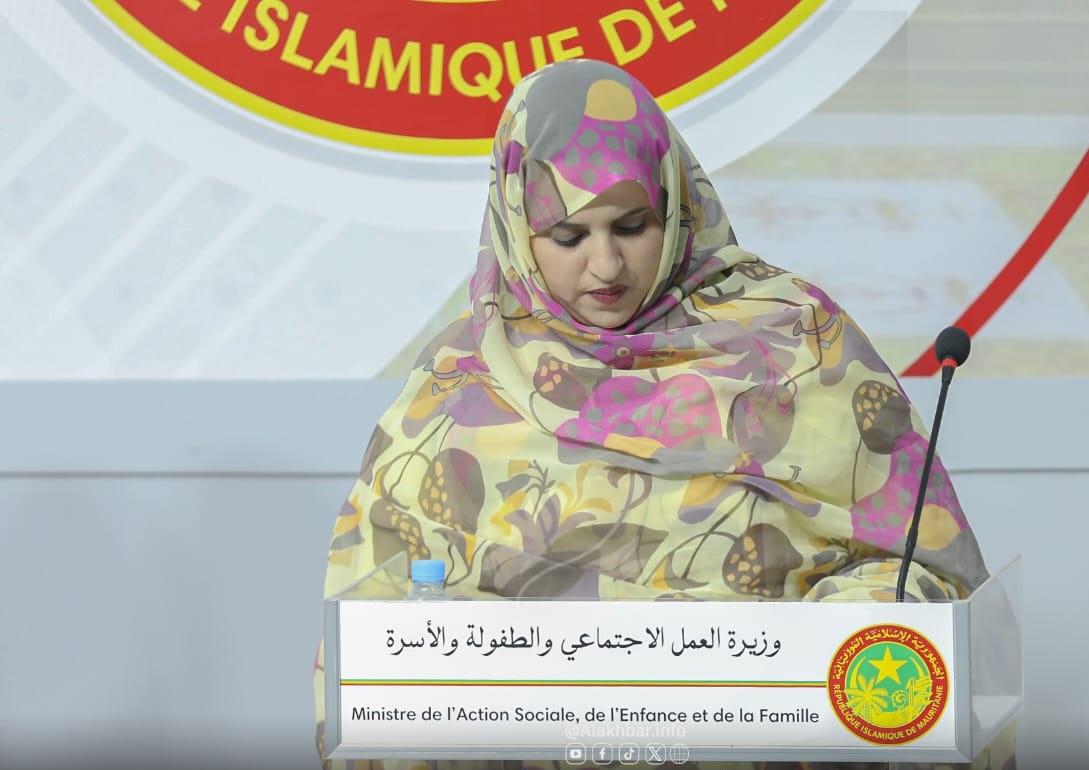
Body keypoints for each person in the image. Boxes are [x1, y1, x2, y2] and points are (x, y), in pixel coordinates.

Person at [314, 59, 1016, 770]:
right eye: (568, 237)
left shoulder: (794, 340)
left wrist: (852, 633)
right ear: (517, 227)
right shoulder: (460, 381)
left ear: (675, 205)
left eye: (631, 225)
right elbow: (371, 635)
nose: (606, 265)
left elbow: (921, 570)